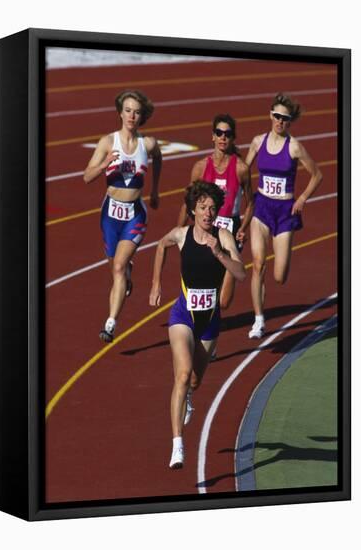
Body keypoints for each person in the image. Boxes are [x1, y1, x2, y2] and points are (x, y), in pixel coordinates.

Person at [149, 181, 246, 469]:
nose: (208, 212)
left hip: (210, 321)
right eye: (203, 207)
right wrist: (155, 282)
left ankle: (190, 396)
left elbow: (240, 273)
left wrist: (219, 253)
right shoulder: (181, 235)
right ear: (193, 209)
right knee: (181, 375)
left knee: (194, 380)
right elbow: (160, 246)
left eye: (213, 208)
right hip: (183, 315)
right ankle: (177, 444)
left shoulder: (224, 236)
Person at [84, 90, 162, 343]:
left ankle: (110, 323)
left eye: (137, 111)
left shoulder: (147, 144)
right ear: (120, 112)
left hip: (134, 215)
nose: (132, 115)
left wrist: (155, 190)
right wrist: (105, 163)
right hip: (110, 214)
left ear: (142, 116)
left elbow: (158, 159)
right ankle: (127, 274)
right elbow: (87, 177)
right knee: (115, 268)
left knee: (117, 267)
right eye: (128, 110)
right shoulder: (108, 142)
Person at [245, 93, 322, 339]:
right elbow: (243, 171)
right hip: (262, 208)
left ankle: (261, 313)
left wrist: (301, 199)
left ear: (290, 122)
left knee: (279, 276)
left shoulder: (295, 146)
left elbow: (317, 175)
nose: (279, 121)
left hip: (285, 212)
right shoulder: (258, 142)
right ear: (270, 115)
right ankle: (258, 320)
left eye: (285, 118)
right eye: (276, 116)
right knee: (258, 264)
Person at [177, 114, 253, 311]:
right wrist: (179, 230)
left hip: (230, 230)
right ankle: (204, 322)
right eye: (219, 133)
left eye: (227, 134)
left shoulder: (241, 169)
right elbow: (188, 202)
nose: (223, 137)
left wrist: (243, 228)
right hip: (205, 228)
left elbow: (251, 203)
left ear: (233, 137)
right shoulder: (201, 167)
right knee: (204, 277)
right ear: (213, 136)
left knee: (224, 301)